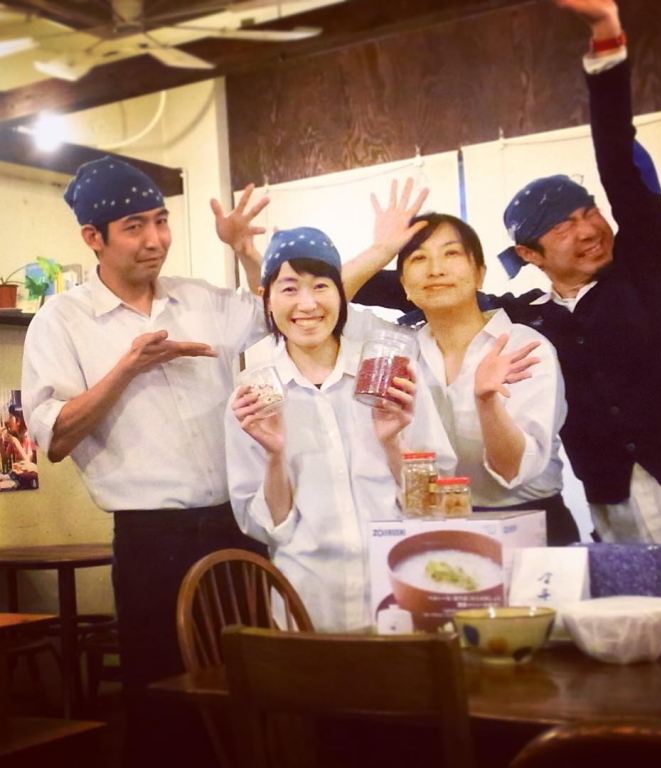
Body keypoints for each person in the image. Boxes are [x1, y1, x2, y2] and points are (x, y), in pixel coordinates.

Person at [354, 0, 661, 554]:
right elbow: (415, 290)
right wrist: (384, 250)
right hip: (615, 515)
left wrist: (606, 41)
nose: (588, 229)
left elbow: (621, 165)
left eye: (590, 212)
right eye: (564, 226)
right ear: (530, 252)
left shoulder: (648, 272)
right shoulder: (527, 318)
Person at [21, 157, 273, 767]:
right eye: (134, 226)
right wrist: (128, 368)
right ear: (93, 237)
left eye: (161, 221)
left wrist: (246, 252)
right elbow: (53, 436)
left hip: (238, 524)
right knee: (166, 700)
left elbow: (283, 319)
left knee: (257, 686)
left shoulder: (200, 298)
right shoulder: (63, 320)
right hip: (151, 539)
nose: (155, 239)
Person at [224, 227, 456, 631]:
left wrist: (393, 444)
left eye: (321, 286)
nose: (307, 304)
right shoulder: (252, 398)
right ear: (267, 299)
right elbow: (266, 528)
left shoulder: (392, 376)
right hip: (308, 605)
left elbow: (435, 505)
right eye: (289, 289)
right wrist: (275, 456)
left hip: (401, 597)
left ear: (341, 294)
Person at [344, 203, 580, 545]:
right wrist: (381, 250)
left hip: (531, 527)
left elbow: (513, 470)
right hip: (439, 524)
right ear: (404, 285)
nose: (436, 269)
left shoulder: (523, 347)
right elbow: (320, 309)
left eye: (451, 253)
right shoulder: (399, 350)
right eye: (419, 258)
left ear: (480, 274)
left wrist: (487, 402)